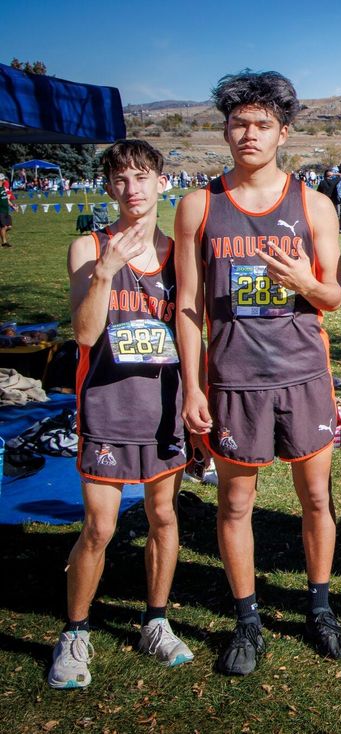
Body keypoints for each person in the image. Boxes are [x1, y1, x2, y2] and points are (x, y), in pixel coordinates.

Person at [174, 70, 341, 676]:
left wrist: (304, 282)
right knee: (234, 502)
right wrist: (193, 386)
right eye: (239, 123)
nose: (249, 134)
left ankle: (320, 608)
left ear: (283, 132)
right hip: (233, 380)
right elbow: (188, 306)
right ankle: (247, 620)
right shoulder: (198, 207)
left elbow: (333, 297)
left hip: (303, 375)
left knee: (316, 498)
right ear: (225, 130)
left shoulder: (314, 205)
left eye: (262, 124)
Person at [51, 140, 192, 689]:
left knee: (163, 518)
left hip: (163, 408)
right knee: (100, 528)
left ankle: (156, 621)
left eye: (142, 176)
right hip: (107, 407)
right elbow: (85, 334)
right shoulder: (87, 248)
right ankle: (75, 632)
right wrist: (106, 273)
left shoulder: (180, 253)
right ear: (109, 187)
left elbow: (192, 330)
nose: (132, 189)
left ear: (161, 182)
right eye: (120, 179)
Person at [0, 174, 12, 247]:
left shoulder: (3, 188)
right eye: (4, 179)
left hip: (6, 211)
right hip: (1, 211)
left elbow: (6, 199)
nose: (5, 180)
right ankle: (4, 242)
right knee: (3, 227)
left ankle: (2, 235)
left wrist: (12, 206)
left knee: (9, 226)